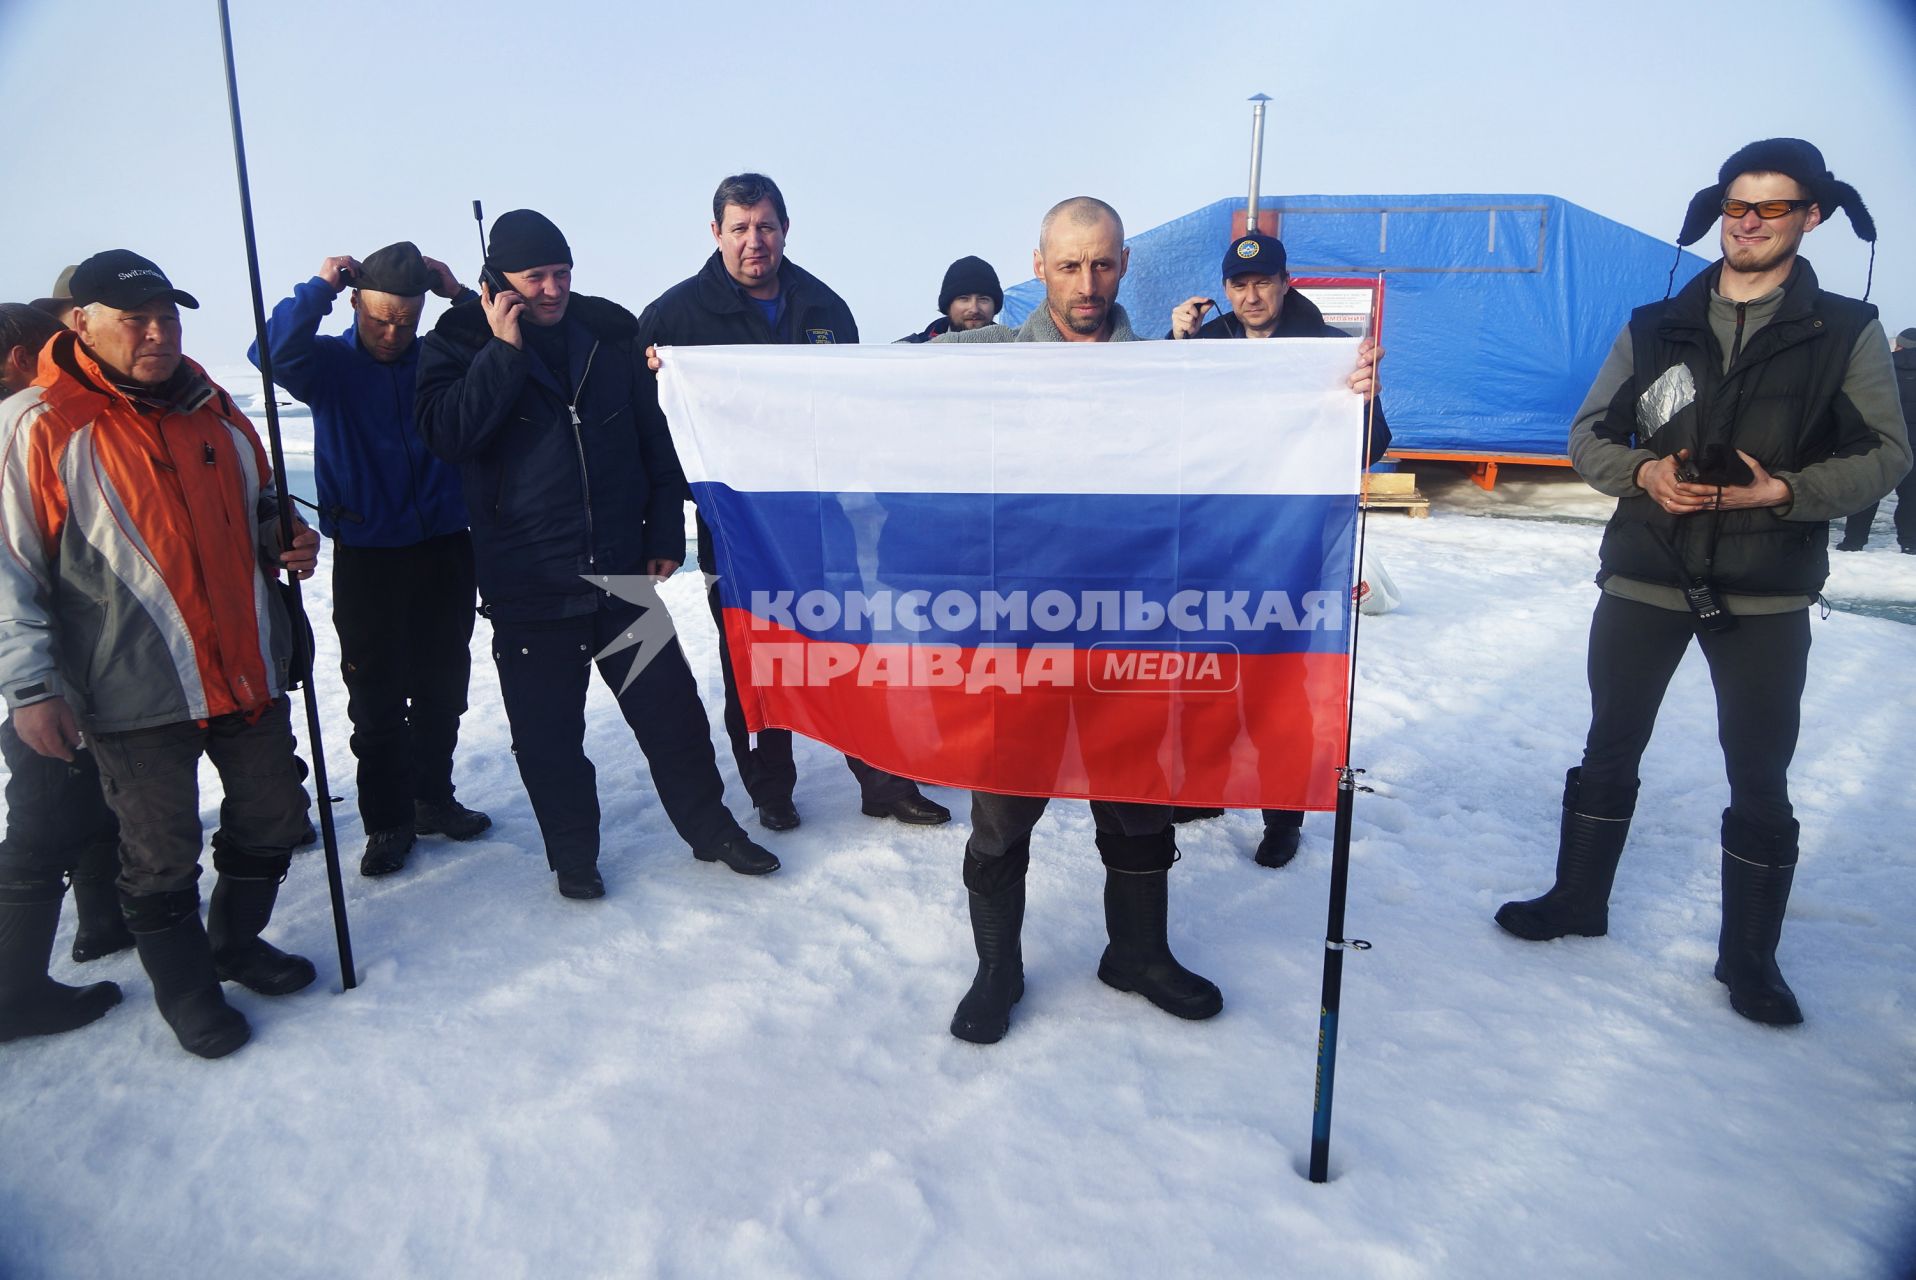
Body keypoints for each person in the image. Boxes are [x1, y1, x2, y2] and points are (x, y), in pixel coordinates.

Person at [1495, 139, 1911, 1026]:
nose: (1748, 221)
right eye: (1735, 206)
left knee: (1760, 773)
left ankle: (1749, 959)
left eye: (1769, 207)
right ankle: (1577, 900)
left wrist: (1787, 491)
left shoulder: (1845, 330)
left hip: (1766, 589)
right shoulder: (1657, 325)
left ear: (1814, 215)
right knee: (1609, 743)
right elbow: (1588, 435)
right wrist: (1643, 474)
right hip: (1646, 573)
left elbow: (1887, 453)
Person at [0, 251, 323, 1058]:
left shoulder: (217, 409)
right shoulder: (39, 423)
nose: (158, 333)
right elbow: (11, 571)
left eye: (168, 318)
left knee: (276, 818)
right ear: (82, 323)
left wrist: (282, 534)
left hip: (245, 670)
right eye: (135, 319)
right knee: (158, 851)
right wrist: (29, 686)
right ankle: (189, 994)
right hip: (129, 687)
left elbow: (261, 501)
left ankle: (234, 943)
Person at [416, 209, 777, 900]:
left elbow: (655, 441)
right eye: (534, 277)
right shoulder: (458, 341)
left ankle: (713, 831)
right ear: (499, 281)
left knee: (672, 714)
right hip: (530, 587)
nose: (551, 289)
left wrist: (662, 537)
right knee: (550, 740)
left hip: (620, 577)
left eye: (561, 273)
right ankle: (574, 857)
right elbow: (450, 434)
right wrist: (503, 350)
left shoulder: (608, 333)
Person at [636, 173, 950, 834]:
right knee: (755, 651)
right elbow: (651, 434)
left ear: (785, 228)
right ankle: (770, 787)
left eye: (767, 226)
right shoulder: (674, 317)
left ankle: (881, 777)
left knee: (849, 644)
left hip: (819, 517)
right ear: (715, 232)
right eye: (741, 228)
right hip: (736, 522)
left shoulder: (823, 307)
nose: (756, 241)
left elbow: (855, 412)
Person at [251, 242, 490, 878]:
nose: (392, 332)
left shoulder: (440, 357)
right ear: (355, 304)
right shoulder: (325, 365)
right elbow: (267, 353)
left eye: (405, 320)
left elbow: (496, 345)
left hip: (445, 547)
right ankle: (388, 820)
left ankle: (433, 799)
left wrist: (458, 294)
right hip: (367, 556)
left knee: (442, 688)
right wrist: (319, 287)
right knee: (376, 697)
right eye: (379, 318)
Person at [1168, 233, 1393, 869]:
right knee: (1209, 669)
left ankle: (1283, 811)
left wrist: (1366, 399)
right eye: (1238, 285)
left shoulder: (1326, 350)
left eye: (1262, 281)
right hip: (1217, 535)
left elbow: (1373, 446)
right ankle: (1207, 788)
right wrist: (1173, 351)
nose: (1251, 294)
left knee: (1282, 679)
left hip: (1294, 540)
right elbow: (1168, 424)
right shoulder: (1208, 347)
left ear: (1285, 281)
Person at [1834, 325, 1916, 552]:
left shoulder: (1880, 365)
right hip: (1913, 446)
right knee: (1911, 499)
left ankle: (1853, 542)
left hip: (1876, 441)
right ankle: (1910, 545)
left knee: (1868, 493)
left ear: (1899, 345)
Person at [895, 256, 1002, 343]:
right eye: (964, 299)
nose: (974, 309)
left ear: (995, 306)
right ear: (948, 306)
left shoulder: (1015, 351)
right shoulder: (908, 352)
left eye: (983, 299)